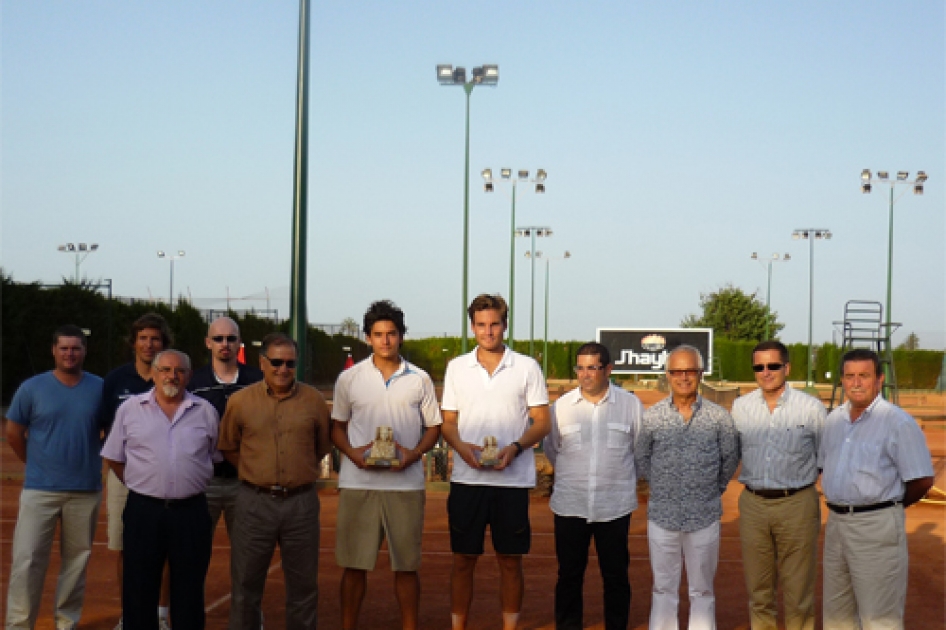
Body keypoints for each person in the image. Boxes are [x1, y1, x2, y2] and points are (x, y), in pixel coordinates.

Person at [440, 294, 551, 630]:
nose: (488, 332)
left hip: (511, 483)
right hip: (467, 481)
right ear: (472, 326)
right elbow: (447, 422)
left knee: (510, 561)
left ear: (505, 325)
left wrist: (516, 448)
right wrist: (462, 449)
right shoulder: (457, 367)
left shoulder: (527, 367)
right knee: (463, 561)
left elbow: (542, 421)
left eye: (494, 324)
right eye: (481, 325)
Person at [332, 300, 443, 630]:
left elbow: (434, 427)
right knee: (353, 567)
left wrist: (412, 455)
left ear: (401, 337)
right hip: (358, 484)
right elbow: (336, 427)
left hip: (405, 485)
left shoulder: (420, 379)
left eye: (391, 334)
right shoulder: (349, 379)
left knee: (407, 568)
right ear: (368, 338)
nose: (385, 340)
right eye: (378, 334)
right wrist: (353, 454)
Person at [218, 332, 332, 630]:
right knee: (245, 586)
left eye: (290, 363)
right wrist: (257, 471)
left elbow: (321, 447)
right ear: (262, 362)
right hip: (253, 503)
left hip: (301, 504)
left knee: (303, 589)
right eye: (277, 362)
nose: (283, 369)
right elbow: (228, 445)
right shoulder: (240, 402)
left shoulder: (314, 400)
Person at [101, 350, 219, 630]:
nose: (172, 376)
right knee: (139, 590)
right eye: (165, 369)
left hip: (191, 513)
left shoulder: (205, 411)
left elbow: (212, 455)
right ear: (154, 374)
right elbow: (115, 457)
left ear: (189, 376)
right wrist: (144, 483)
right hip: (144, 511)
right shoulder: (129, 409)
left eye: (179, 371)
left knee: (189, 590)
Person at [819, 348, 934, 629]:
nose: (856, 382)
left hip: (877, 527)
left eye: (864, 376)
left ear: (879, 379)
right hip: (836, 525)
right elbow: (825, 466)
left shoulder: (898, 422)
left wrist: (886, 507)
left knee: (879, 617)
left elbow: (921, 480)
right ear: (842, 381)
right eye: (850, 376)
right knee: (837, 614)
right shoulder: (833, 421)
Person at [5, 325, 103, 629]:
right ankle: (19, 624)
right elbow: (13, 432)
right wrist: (35, 463)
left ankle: (66, 623)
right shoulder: (32, 388)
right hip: (40, 491)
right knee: (28, 560)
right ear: (53, 350)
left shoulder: (100, 387)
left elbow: (110, 432)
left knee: (75, 564)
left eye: (75, 348)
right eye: (64, 348)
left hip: (85, 490)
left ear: (85, 351)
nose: (70, 354)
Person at [635, 344, 739, 630]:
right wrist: (663, 487)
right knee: (663, 589)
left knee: (702, 590)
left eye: (690, 370)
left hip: (704, 516)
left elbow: (730, 458)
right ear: (668, 375)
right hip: (662, 517)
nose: (683, 377)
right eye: (677, 371)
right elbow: (642, 457)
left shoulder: (719, 417)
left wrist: (710, 489)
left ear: (700, 373)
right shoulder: (652, 416)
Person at [543, 342, 643, 630]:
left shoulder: (630, 405)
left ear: (608, 369)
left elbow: (639, 451)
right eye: (581, 368)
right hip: (570, 505)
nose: (586, 375)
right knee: (569, 575)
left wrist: (619, 482)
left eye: (593, 368)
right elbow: (553, 449)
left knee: (615, 576)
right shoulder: (560, 407)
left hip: (614, 506)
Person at [731, 340, 825, 630]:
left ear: (787, 367)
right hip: (753, 505)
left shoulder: (810, 408)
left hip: (797, 503)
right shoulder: (741, 407)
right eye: (759, 367)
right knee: (759, 592)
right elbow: (732, 453)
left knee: (799, 593)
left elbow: (825, 455)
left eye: (773, 365)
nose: (766, 372)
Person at [99, 312, 173, 630]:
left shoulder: (174, 375)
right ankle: (130, 614)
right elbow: (105, 430)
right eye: (142, 338)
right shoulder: (115, 380)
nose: (148, 344)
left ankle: (161, 613)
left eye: (154, 338)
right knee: (125, 547)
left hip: (164, 480)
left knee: (166, 549)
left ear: (163, 343)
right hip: (123, 477)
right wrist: (124, 471)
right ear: (134, 343)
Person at [187, 317, 263, 541]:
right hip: (203, 481)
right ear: (208, 342)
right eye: (218, 339)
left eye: (231, 339)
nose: (225, 344)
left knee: (246, 551)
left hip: (244, 482)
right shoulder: (194, 381)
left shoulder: (256, 380)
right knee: (194, 549)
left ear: (239, 342)